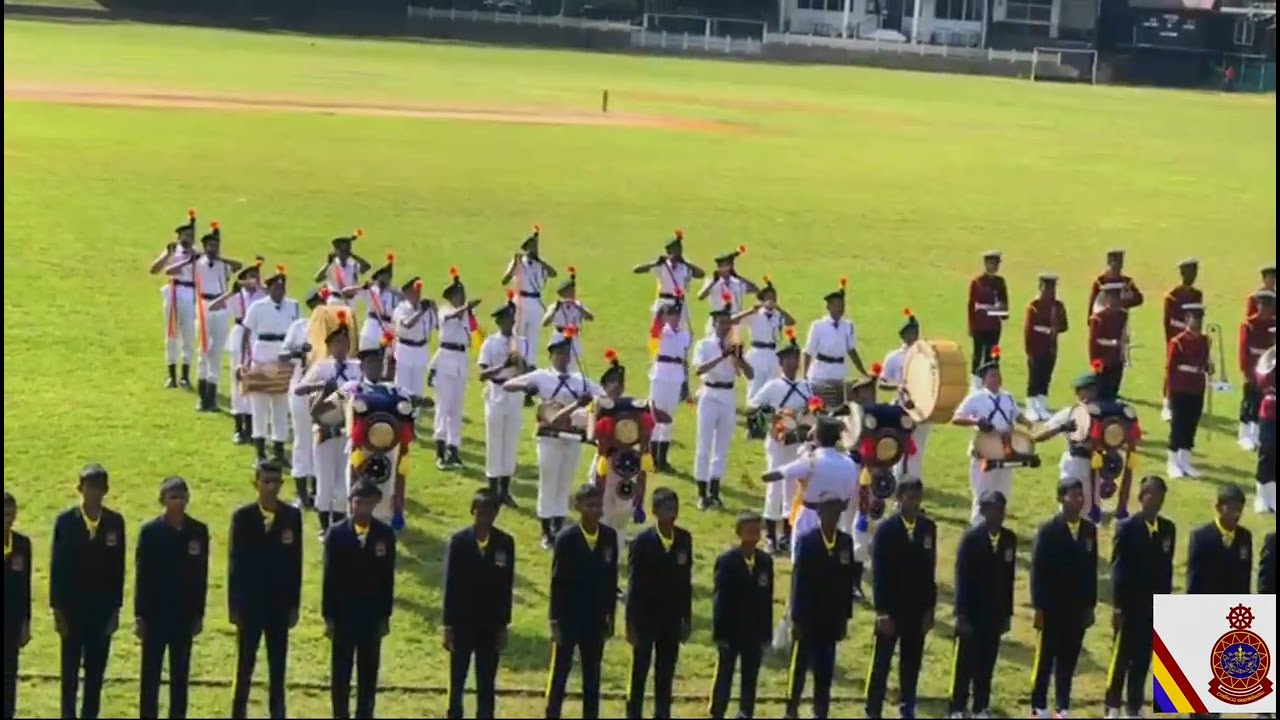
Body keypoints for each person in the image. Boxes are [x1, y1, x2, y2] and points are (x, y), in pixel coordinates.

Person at [762, 416, 859, 647]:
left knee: (802, 574)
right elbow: (846, 500)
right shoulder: (849, 464)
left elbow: (774, 475)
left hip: (808, 517)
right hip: (836, 518)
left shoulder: (812, 461)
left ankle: (787, 633)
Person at [504, 331, 603, 547]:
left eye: (566, 353)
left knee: (564, 483)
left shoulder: (580, 380)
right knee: (548, 482)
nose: (563, 358)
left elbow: (602, 396)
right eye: (558, 353)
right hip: (549, 436)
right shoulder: (542, 376)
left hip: (572, 437)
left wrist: (590, 400)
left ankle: (558, 526)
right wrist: (527, 387)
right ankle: (546, 530)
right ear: (551, 355)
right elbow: (508, 385)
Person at [229, 460, 304, 720]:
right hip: (250, 605)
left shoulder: (292, 517)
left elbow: (296, 563)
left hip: (279, 605)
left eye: (277, 482)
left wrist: (294, 605)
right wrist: (234, 607)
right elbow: (235, 565)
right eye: (266, 482)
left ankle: (278, 713)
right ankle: (238, 713)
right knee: (245, 666)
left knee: (278, 667)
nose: (272, 488)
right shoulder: (243, 517)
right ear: (256, 483)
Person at [51, 464, 125, 720]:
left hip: (101, 612)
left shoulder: (115, 523)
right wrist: (57, 610)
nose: (93, 493)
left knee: (95, 674)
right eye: (88, 488)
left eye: (98, 488)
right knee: (69, 675)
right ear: (79, 489)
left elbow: (119, 569)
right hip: (72, 611)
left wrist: (116, 609)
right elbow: (57, 568)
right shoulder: (66, 522)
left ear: (106, 491)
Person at [135, 477, 208, 720]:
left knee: (180, 675)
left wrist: (199, 613)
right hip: (155, 615)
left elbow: (201, 575)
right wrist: (140, 615)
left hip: (184, 615)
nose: (177, 502)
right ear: (162, 500)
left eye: (182, 497)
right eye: (172, 497)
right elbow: (142, 576)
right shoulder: (150, 532)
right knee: (150, 674)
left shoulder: (198, 532)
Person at [864, 478, 937, 720]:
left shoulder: (928, 528)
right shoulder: (886, 530)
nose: (914, 502)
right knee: (881, 663)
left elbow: (930, 570)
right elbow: (879, 574)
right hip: (892, 609)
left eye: (918, 497)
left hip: (916, 609)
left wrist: (930, 609)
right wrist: (882, 612)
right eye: (910, 497)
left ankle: (908, 705)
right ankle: (873, 709)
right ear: (899, 498)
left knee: (912, 661)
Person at [323, 481, 396, 719]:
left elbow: (387, 579)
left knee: (368, 674)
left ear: (376, 504)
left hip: (371, 616)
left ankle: (365, 714)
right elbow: (329, 578)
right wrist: (329, 616)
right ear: (351, 503)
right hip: (344, 615)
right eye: (358, 503)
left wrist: (385, 615)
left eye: (367, 503)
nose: (362, 508)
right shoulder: (337, 533)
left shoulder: (384, 535)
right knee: (341, 674)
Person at [545, 484, 619, 720]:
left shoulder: (608, 537)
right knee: (561, 671)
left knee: (592, 673)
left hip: (595, 618)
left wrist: (611, 616)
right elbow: (557, 581)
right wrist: (554, 620)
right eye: (589, 504)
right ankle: (552, 713)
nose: (595, 509)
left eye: (598, 504)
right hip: (569, 617)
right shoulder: (566, 538)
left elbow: (611, 579)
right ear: (578, 507)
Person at [1104, 476, 1175, 720]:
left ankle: (1133, 705)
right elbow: (1118, 570)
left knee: (1143, 658)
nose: (1156, 502)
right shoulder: (1126, 527)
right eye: (1151, 495)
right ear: (1141, 497)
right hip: (1129, 606)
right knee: (1121, 656)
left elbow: (1167, 570)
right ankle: (1112, 704)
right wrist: (1117, 608)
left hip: (1153, 607)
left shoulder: (1167, 529)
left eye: (1160, 497)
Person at [1028, 477, 1098, 720]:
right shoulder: (1048, 530)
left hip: (1076, 608)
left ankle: (1062, 705)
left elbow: (1091, 570)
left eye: (1081, 495)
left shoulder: (1089, 530)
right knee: (1046, 658)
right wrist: (1038, 606)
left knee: (1068, 659)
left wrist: (1090, 605)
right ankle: (1038, 705)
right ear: (1061, 498)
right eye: (1073, 495)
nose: (1078, 500)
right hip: (1052, 607)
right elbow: (1037, 571)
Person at [443, 490, 515, 720]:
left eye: (491, 511)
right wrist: (447, 625)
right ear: (473, 510)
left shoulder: (505, 542)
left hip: (490, 623)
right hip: (463, 621)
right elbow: (450, 584)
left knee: (486, 679)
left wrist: (504, 624)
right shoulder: (459, 541)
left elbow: (507, 585)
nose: (485, 516)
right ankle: (454, 713)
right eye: (481, 510)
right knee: (458, 677)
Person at [783, 494, 855, 720]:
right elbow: (799, 581)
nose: (833, 517)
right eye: (829, 512)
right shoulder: (808, 541)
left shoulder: (845, 542)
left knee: (825, 668)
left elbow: (847, 583)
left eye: (837, 512)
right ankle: (791, 708)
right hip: (808, 616)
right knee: (800, 666)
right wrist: (796, 618)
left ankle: (820, 710)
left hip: (831, 617)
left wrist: (845, 616)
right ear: (820, 513)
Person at [625, 488, 693, 720]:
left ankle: (662, 712)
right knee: (640, 670)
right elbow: (633, 585)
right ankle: (633, 712)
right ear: (654, 511)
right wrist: (630, 622)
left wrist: (687, 618)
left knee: (665, 671)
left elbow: (686, 582)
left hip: (671, 618)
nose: (670, 513)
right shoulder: (642, 542)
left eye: (674, 507)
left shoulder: (684, 539)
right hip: (645, 617)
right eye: (665, 507)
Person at [293, 313, 363, 536]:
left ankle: (340, 525)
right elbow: (299, 389)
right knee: (324, 484)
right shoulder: (322, 368)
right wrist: (324, 386)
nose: (342, 348)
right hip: (324, 430)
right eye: (337, 344)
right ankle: (324, 528)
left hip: (347, 431)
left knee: (344, 485)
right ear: (330, 346)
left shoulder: (355, 368)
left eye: (345, 343)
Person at [745, 327, 813, 554]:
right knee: (774, 487)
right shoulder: (773, 386)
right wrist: (773, 416)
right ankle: (771, 536)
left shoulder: (806, 386)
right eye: (790, 359)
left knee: (794, 488)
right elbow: (752, 407)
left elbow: (814, 409)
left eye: (796, 358)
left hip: (799, 443)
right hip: (778, 442)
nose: (794, 363)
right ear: (782, 363)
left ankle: (788, 532)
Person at [949, 490, 1016, 720]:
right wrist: (961, 614)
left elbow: (1009, 578)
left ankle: (980, 706)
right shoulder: (971, 539)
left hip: (995, 612)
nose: (999, 514)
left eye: (1002, 509)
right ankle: (958, 706)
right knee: (965, 663)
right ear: (984, 510)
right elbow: (961, 578)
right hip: (972, 612)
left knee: (987, 663)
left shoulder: (1009, 539)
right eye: (994, 509)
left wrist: (1008, 612)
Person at [951, 350, 1034, 522]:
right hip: (984, 449)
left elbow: (1016, 414)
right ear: (984, 379)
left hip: (1006, 449)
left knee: (1002, 491)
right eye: (993, 375)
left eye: (998, 375)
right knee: (982, 492)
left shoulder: (1008, 396)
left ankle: (996, 525)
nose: (997, 379)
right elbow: (957, 418)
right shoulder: (976, 397)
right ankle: (978, 527)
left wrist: (1026, 422)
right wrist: (976, 422)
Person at [708, 511, 772, 720]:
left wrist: (766, 633)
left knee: (750, 677)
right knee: (725, 674)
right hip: (731, 629)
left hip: (754, 630)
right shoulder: (727, 561)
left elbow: (767, 599)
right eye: (749, 529)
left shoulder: (765, 561)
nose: (754, 533)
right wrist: (720, 633)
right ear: (739, 532)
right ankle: (717, 711)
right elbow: (720, 599)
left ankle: (746, 712)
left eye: (757, 528)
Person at [693, 305, 754, 510]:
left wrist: (739, 358)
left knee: (722, 446)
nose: (724, 326)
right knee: (704, 445)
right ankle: (702, 492)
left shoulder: (734, 345)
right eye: (721, 322)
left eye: (728, 323)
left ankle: (715, 490)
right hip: (709, 393)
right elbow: (699, 369)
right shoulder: (704, 345)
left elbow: (750, 374)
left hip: (728, 394)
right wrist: (722, 355)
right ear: (714, 324)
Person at [241, 265, 301, 465]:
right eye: (275, 287)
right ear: (268, 289)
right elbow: (246, 333)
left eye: (282, 287)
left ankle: (278, 450)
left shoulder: (293, 306)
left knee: (281, 408)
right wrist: (245, 361)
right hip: (262, 356)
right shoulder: (257, 307)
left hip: (284, 357)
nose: (280, 291)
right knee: (260, 408)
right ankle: (260, 453)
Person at [479, 292, 528, 504]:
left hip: (515, 393)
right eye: (506, 319)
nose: (510, 323)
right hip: (497, 393)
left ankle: (505, 489)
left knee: (510, 443)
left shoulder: (521, 342)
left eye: (512, 318)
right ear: (499, 322)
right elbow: (482, 374)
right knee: (495, 442)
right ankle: (493, 489)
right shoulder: (490, 344)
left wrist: (522, 364)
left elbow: (529, 370)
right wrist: (503, 366)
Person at [1032, 371, 1101, 522]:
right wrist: (1062, 427)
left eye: (1094, 389)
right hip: (1074, 464)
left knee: (1090, 510)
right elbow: (1039, 436)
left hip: (1096, 466)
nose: (1091, 394)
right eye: (1087, 390)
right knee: (1069, 506)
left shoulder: (1102, 413)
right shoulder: (1069, 413)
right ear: (1079, 393)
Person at [190, 223, 244, 411]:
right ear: (204, 247)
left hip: (220, 305)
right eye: (210, 246)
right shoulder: (197, 263)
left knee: (217, 351)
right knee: (203, 350)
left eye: (216, 245)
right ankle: (202, 397)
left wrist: (221, 258)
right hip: (203, 305)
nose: (213, 249)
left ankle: (211, 397)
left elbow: (239, 266)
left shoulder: (223, 265)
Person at [432, 267, 482, 470]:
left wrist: (468, 312)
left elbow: (472, 331)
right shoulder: (445, 311)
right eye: (459, 295)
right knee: (443, 407)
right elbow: (450, 317)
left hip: (461, 360)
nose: (462, 298)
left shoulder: (463, 315)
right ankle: (440, 452)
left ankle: (454, 449)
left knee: (456, 409)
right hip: (446, 358)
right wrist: (465, 309)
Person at [282, 287, 328, 508]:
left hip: (327, 392)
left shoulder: (333, 328)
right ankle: (302, 494)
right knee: (302, 440)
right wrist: (301, 350)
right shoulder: (299, 327)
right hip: (301, 389)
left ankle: (320, 491)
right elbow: (284, 353)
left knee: (323, 439)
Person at [213, 262, 267, 445]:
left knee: (254, 381)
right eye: (250, 276)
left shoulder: (263, 296)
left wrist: (262, 287)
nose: (254, 280)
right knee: (238, 381)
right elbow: (213, 306)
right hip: (240, 334)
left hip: (257, 337)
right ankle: (238, 426)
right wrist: (231, 292)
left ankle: (252, 427)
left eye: (256, 276)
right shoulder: (237, 296)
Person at [881, 308, 934, 479]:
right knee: (898, 446)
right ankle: (896, 480)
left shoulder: (927, 356)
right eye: (910, 332)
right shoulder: (894, 357)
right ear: (902, 335)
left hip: (922, 408)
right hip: (902, 406)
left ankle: (913, 481)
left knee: (917, 448)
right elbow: (882, 382)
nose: (914, 335)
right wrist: (897, 386)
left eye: (916, 331)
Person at [151, 209, 198, 389]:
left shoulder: (196, 254)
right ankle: (171, 374)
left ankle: (185, 374)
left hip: (189, 292)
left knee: (188, 334)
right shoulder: (172, 251)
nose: (188, 239)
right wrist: (168, 255)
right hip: (173, 290)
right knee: (171, 333)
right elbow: (154, 270)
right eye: (185, 236)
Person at [647, 291, 692, 473]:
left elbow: (685, 359)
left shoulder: (684, 335)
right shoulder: (661, 332)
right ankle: (651, 456)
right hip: (661, 372)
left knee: (669, 417)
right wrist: (661, 311)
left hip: (676, 374)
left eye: (676, 315)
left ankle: (662, 458)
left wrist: (686, 385)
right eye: (671, 315)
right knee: (656, 415)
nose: (674, 318)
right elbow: (654, 331)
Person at [501, 225, 559, 367]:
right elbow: (505, 280)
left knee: (533, 336)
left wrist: (541, 261)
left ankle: (531, 364)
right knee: (518, 334)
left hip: (535, 301)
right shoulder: (519, 263)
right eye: (532, 247)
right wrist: (514, 265)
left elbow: (553, 273)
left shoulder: (541, 264)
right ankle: (516, 361)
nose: (535, 250)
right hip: (520, 300)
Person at [1165, 303, 1211, 479]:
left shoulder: (1204, 341)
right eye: (1194, 318)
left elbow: (1203, 362)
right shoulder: (1178, 342)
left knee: (1191, 424)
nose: (1197, 322)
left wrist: (1208, 367)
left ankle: (1185, 461)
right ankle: (1173, 461)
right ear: (1186, 319)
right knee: (1178, 425)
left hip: (1196, 387)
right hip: (1180, 388)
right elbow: (1170, 369)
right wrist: (1170, 392)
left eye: (1199, 319)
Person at [635, 229, 705, 337]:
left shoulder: (685, 266)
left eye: (680, 248)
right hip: (663, 303)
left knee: (680, 334)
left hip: (679, 304)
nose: (679, 251)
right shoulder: (662, 265)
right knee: (658, 335)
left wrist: (685, 262)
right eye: (676, 249)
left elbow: (701, 274)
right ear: (669, 251)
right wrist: (655, 263)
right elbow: (637, 270)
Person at [735, 276, 796, 398]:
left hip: (773, 353)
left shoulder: (778, 314)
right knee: (755, 385)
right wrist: (750, 311)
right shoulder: (755, 313)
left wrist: (779, 308)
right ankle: (752, 411)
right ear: (762, 300)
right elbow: (734, 320)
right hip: (758, 352)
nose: (772, 300)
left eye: (774, 297)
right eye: (769, 297)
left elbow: (791, 322)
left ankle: (769, 413)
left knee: (772, 386)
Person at [1187, 484, 1253, 594]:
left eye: (1239, 509)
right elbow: (1194, 579)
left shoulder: (1244, 537)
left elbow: (1245, 578)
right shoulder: (1201, 537)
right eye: (1231, 509)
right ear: (1218, 507)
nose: (1236, 514)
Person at [803, 277, 869, 388]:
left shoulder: (848, 326)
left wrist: (863, 372)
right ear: (828, 307)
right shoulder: (818, 325)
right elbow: (808, 352)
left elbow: (852, 351)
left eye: (842, 305)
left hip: (839, 372)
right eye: (837, 305)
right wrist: (804, 375)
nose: (841, 308)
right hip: (821, 373)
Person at [1022, 273, 1069, 421]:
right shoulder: (1034, 307)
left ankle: (1041, 406)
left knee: (1046, 376)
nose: (1049, 292)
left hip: (1051, 346)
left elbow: (1064, 325)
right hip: (1036, 347)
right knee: (1034, 377)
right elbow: (1028, 330)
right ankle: (1031, 407)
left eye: (1052, 289)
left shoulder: (1058, 306)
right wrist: (1029, 350)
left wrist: (1056, 328)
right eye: (1046, 289)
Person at [1161, 258, 1203, 421]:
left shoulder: (1197, 294)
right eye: (1189, 273)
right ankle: (1167, 401)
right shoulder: (1173, 296)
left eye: (1195, 272)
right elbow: (1169, 321)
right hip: (1176, 337)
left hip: (1192, 336)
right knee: (1172, 369)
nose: (1192, 276)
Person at [3, 492, 31, 720]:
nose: (7, 519)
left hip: (10, 623)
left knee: (9, 677)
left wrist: (25, 622)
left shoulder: (21, 544)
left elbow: (25, 586)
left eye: (11, 514)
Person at [1238, 289, 1276, 452]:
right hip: (1253, 365)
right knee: (1249, 401)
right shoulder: (1249, 324)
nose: (1265, 310)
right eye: (1262, 305)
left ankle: (1257, 434)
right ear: (1258, 305)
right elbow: (1244, 349)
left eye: (1269, 306)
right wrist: (1246, 370)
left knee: (1262, 400)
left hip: (1268, 368)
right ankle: (1245, 435)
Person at [348, 253, 401, 366]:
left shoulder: (394, 293)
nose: (385, 280)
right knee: (365, 359)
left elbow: (406, 301)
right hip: (371, 329)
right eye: (382, 277)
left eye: (388, 277)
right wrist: (363, 287)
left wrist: (395, 291)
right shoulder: (371, 291)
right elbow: (346, 292)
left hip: (387, 330)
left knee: (385, 363)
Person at [967, 250, 1010, 389]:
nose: (994, 266)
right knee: (978, 354)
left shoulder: (1000, 282)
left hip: (994, 326)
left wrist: (1000, 311)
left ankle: (990, 381)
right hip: (980, 325)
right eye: (991, 263)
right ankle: (976, 383)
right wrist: (971, 325)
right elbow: (971, 305)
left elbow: (1004, 304)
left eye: (996, 264)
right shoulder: (977, 282)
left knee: (993, 354)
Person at [392, 276, 437, 406]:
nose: (417, 295)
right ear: (407, 294)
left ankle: (414, 416)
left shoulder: (425, 309)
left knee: (418, 388)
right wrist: (421, 312)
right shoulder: (401, 309)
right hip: (405, 349)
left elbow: (438, 325)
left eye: (418, 292)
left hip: (421, 350)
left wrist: (434, 309)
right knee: (402, 386)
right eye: (413, 292)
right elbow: (407, 324)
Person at [697, 247, 758, 334]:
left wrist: (739, 277)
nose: (726, 269)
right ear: (719, 267)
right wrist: (714, 282)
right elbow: (700, 296)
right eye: (724, 266)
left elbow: (755, 289)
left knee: (733, 346)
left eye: (729, 265)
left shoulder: (737, 282)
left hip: (734, 320)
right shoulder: (712, 281)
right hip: (718, 320)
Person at [541, 266, 595, 361]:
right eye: (570, 291)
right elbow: (545, 323)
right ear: (563, 293)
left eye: (573, 290)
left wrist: (578, 307)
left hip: (574, 339)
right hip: (559, 338)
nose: (573, 293)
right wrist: (555, 311)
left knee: (573, 368)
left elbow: (590, 317)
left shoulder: (578, 305)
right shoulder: (555, 306)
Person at [1088, 283, 1129, 402]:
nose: (1115, 301)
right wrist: (1096, 365)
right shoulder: (1097, 318)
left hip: (1116, 359)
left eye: (1117, 297)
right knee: (1101, 391)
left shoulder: (1122, 315)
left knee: (1113, 391)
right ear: (1106, 299)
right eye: (1112, 297)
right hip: (1102, 360)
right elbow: (1093, 344)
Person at [315, 232, 371, 301]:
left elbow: (367, 267)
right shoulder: (331, 265)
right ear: (336, 251)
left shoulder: (353, 264)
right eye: (342, 251)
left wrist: (354, 256)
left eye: (347, 251)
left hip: (350, 301)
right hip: (335, 300)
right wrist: (328, 263)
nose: (345, 254)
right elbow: (317, 279)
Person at [1087, 248, 1145, 314]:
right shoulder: (1100, 281)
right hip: (1102, 318)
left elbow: (1138, 299)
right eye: (1113, 263)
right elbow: (1092, 302)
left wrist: (1124, 303)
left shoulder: (1127, 282)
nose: (1115, 267)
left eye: (1118, 264)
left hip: (1120, 318)